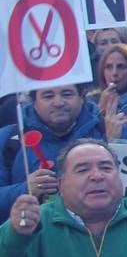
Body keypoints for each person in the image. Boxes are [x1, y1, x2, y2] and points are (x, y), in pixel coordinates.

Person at [0, 85, 106, 214]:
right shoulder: (6, 138)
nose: (58, 103)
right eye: (48, 96)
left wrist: (115, 144)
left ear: (82, 96)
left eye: (67, 94)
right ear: (34, 101)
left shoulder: (108, 130)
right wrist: (25, 189)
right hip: (30, 232)